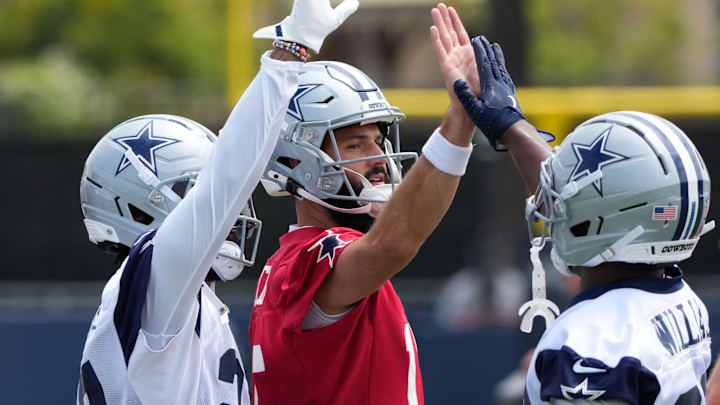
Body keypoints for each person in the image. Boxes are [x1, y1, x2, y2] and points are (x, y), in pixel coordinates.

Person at [75, 1, 357, 403]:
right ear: (136, 208)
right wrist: (291, 51)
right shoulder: (156, 283)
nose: (234, 213)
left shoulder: (177, 302)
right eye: (191, 190)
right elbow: (227, 176)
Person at [443, 8, 714, 404]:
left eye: (566, 192)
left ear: (603, 220)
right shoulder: (676, 296)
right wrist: (509, 125)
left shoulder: (589, 347)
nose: (550, 198)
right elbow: (591, 205)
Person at [246, 4, 502, 404]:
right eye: (354, 144)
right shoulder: (310, 257)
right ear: (295, 160)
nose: (379, 157)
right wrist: (459, 120)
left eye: (378, 141)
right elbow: (392, 244)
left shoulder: (287, 263)